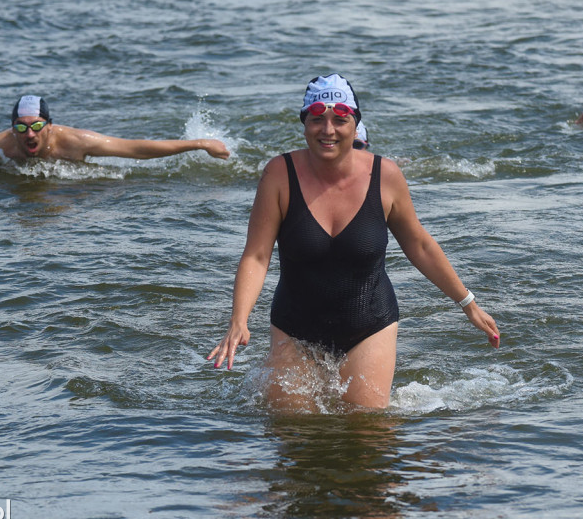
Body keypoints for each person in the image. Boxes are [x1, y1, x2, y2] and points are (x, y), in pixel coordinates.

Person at [207, 74, 500, 410]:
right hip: (295, 327)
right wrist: (239, 319)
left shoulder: (386, 175)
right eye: (317, 119)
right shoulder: (279, 175)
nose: (328, 130)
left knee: (366, 432)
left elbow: (419, 245)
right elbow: (257, 256)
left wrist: (468, 304)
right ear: (304, 124)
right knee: (290, 428)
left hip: (369, 325)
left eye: (340, 120)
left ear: (355, 124)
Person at [0, 95, 230, 165]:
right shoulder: (1, 145)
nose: (28, 135)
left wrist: (199, 143)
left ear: (49, 126)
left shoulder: (75, 142)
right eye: (21, 127)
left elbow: (136, 148)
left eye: (36, 127)